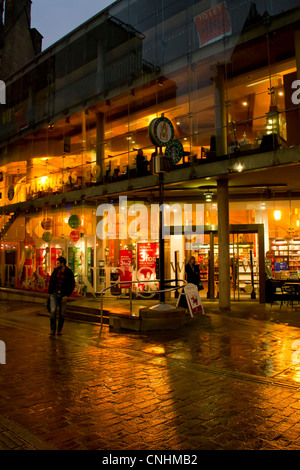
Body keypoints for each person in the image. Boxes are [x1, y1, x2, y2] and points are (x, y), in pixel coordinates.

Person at [48, 256, 75, 336]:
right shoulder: (56, 271)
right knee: (52, 311)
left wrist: (67, 295)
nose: (57, 264)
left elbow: (72, 284)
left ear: (62, 264)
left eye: (58, 263)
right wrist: (50, 292)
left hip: (63, 295)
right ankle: (53, 329)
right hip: (54, 293)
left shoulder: (69, 272)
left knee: (62, 313)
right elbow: (51, 281)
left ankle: (59, 330)